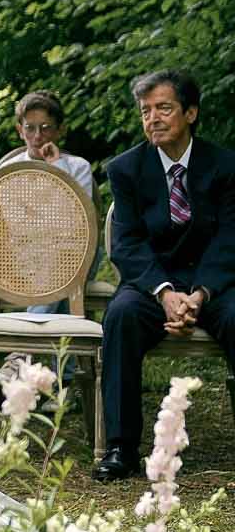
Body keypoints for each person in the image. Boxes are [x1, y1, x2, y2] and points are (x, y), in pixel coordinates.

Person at [94, 70, 235, 482]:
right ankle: (120, 448)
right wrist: (166, 292)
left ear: (190, 113)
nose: (153, 118)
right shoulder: (125, 169)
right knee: (119, 317)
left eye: (164, 108)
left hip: (214, 284)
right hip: (152, 284)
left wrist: (200, 294)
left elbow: (230, 238)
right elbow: (128, 243)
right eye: (146, 111)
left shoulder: (226, 167)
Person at [0, 89, 94, 193]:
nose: (37, 136)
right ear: (20, 131)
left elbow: (77, 208)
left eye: (45, 127)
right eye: (30, 128)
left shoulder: (78, 167)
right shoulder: (7, 171)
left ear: (60, 130)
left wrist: (57, 165)